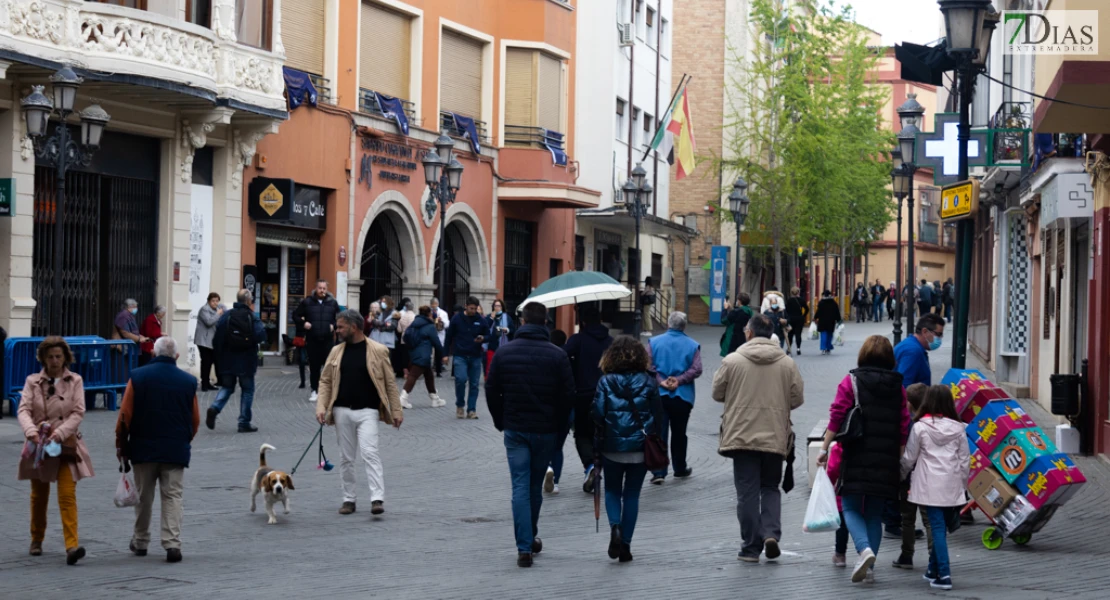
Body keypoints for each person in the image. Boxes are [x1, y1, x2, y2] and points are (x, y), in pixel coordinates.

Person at [485, 301, 575, 568]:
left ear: (522, 322)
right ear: (545, 322)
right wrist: (560, 426)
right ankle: (529, 537)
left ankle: (525, 545)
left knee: (520, 486)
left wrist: (500, 420)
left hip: (515, 428)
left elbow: (491, 389)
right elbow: (568, 395)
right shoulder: (557, 355)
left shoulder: (505, 353)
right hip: (545, 430)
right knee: (534, 486)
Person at [817, 335, 910, 584]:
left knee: (849, 506)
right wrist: (899, 457)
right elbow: (904, 425)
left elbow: (836, 416)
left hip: (856, 452)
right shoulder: (898, 387)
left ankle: (863, 550)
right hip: (887, 456)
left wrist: (824, 448)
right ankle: (869, 568)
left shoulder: (852, 382)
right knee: (874, 513)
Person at [712, 314, 805, 563]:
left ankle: (751, 546)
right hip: (775, 434)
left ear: (750, 333)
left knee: (747, 492)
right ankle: (771, 533)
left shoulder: (732, 361)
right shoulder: (786, 363)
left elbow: (717, 392)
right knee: (770, 487)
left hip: (741, 436)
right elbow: (796, 398)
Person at [115, 337, 200, 563]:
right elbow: (195, 420)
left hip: (143, 447)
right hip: (175, 449)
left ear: (153, 353)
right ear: (177, 356)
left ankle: (141, 541)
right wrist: (184, 440)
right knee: (173, 496)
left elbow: (124, 416)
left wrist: (122, 445)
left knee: (144, 496)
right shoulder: (188, 381)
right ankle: (172, 543)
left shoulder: (138, 377)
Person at [315, 310, 403, 516]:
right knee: (346, 458)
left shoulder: (378, 350)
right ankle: (348, 499)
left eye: (341, 327)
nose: (337, 330)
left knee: (370, 453)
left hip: (368, 411)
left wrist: (396, 410)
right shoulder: (336, 351)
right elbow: (325, 381)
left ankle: (377, 499)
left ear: (353, 327)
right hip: (342, 411)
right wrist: (321, 406)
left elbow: (390, 383)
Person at [17, 337, 95, 565]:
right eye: (50, 356)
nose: (54, 361)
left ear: (66, 358)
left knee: (67, 495)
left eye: (58, 356)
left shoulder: (75, 380)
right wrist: (31, 431)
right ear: (43, 358)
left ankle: (72, 546)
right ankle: (36, 539)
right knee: (38, 496)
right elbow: (23, 410)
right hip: (39, 446)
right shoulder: (32, 381)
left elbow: (79, 412)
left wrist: (59, 433)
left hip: (65, 445)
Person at [592, 336, 664, 563]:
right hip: (640, 447)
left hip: (612, 446)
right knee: (632, 494)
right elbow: (658, 415)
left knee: (612, 491)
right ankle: (626, 545)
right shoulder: (649, 381)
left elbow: (597, 414)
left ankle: (615, 526)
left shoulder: (605, 381)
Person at [900, 385, 970, 591]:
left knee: (937, 527)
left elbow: (909, 458)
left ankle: (945, 574)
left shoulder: (920, 427)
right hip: (951, 484)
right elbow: (964, 460)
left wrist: (901, 475)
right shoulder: (959, 428)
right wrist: (962, 486)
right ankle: (932, 570)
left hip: (928, 485)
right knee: (941, 528)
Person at [647, 311, 703, 484]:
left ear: (668, 323)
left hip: (659, 395)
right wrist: (679, 380)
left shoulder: (654, 342)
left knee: (659, 432)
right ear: (684, 326)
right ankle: (679, 467)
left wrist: (661, 381)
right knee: (680, 433)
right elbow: (697, 369)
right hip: (682, 396)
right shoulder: (693, 345)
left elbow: (647, 365)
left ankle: (658, 471)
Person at [563, 302, 613, 493]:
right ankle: (601, 465)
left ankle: (591, 466)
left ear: (582, 320)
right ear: (599, 320)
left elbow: (562, 357)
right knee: (603, 433)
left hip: (583, 394)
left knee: (582, 434)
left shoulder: (578, 340)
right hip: (607, 394)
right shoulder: (610, 341)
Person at [206, 289, 267, 433]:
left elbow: (217, 338)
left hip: (227, 359)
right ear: (248, 301)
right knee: (247, 390)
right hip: (246, 360)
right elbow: (261, 335)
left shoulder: (227, 315)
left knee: (227, 387)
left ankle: (215, 407)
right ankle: (244, 422)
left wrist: (219, 356)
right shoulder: (251, 317)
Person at [892, 383, 934, 570]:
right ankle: (934, 555)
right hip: (927, 478)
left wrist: (900, 475)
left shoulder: (908, 424)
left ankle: (906, 554)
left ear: (909, 404)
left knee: (907, 518)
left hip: (909, 478)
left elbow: (906, 456)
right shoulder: (932, 423)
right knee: (929, 520)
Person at [293, 280, 340, 404]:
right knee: (314, 367)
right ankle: (315, 391)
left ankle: (327, 392)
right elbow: (295, 315)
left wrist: (334, 326)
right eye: (320, 288)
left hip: (328, 340)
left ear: (327, 289)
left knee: (328, 367)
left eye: (324, 288)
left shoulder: (332, 303)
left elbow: (340, 318)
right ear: (316, 288)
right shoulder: (307, 302)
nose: (322, 290)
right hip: (313, 340)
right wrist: (304, 324)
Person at [444, 296, 487, 419]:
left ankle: (472, 409)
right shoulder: (457, 319)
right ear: (466, 306)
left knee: (474, 384)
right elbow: (449, 337)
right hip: (460, 355)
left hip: (475, 355)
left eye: (475, 309)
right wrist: (445, 354)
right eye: (471, 308)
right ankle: (460, 405)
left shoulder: (481, 320)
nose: (473, 311)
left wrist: (483, 338)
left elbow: (488, 334)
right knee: (461, 379)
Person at [400, 305, 445, 408]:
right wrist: (442, 354)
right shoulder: (429, 326)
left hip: (414, 353)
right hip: (424, 355)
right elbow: (436, 343)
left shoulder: (413, 324)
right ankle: (403, 398)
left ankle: (434, 398)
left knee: (429, 376)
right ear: (429, 314)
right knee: (413, 376)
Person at [895, 314, 946, 388]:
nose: (940, 338)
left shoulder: (912, 346)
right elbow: (904, 386)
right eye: (938, 334)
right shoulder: (913, 351)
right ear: (925, 331)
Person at [195, 294, 223, 391]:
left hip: (211, 341)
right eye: (213, 301)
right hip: (203, 341)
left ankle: (208, 383)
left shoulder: (217, 309)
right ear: (208, 301)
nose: (215, 303)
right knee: (206, 362)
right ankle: (204, 384)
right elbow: (209, 322)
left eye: (217, 301)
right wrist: (218, 314)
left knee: (210, 362)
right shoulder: (204, 309)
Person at [367, 296, 399, 376]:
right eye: (382, 302)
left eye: (384, 302)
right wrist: (384, 324)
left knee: (387, 359)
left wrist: (381, 325)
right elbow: (374, 322)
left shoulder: (394, 313)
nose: (382, 303)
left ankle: (387, 375)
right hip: (377, 339)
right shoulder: (379, 312)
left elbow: (392, 326)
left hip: (387, 340)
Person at [485, 299, 517, 376]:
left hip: (504, 346)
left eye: (499, 305)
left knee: (502, 366)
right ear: (493, 307)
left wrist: (507, 330)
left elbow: (513, 330)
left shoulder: (507, 317)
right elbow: (485, 328)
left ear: (502, 307)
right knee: (490, 366)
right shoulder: (489, 317)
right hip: (492, 345)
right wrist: (491, 319)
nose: (497, 307)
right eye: (495, 305)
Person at [814, 290, 841, 355]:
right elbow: (837, 312)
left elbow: (818, 312)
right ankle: (828, 348)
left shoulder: (821, 303)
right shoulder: (834, 303)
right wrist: (839, 320)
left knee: (823, 335)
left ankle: (823, 348)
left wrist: (815, 317)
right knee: (830, 335)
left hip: (822, 321)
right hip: (831, 321)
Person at [395, 297, 416, 378]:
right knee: (411, 355)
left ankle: (405, 372)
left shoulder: (402, 316)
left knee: (404, 356)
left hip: (403, 338)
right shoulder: (415, 317)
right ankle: (411, 371)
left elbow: (399, 330)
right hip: (412, 339)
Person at [784, 287, 808, 356]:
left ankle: (789, 348)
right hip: (799, 319)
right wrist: (803, 315)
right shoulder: (801, 300)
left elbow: (786, 310)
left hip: (791, 319)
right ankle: (798, 348)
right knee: (798, 334)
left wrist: (788, 317)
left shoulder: (789, 300)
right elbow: (807, 309)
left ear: (791, 292)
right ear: (798, 292)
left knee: (790, 334)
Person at [430, 297, 450, 377]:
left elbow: (447, 324)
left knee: (438, 353)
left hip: (440, 334)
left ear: (437, 304)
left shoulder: (443, 313)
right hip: (431, 334)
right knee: (429, 352)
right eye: (433, 304)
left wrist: (441, 322)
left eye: (435, 304)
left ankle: (438, 370)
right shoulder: (429, 312)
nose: (434, 305)